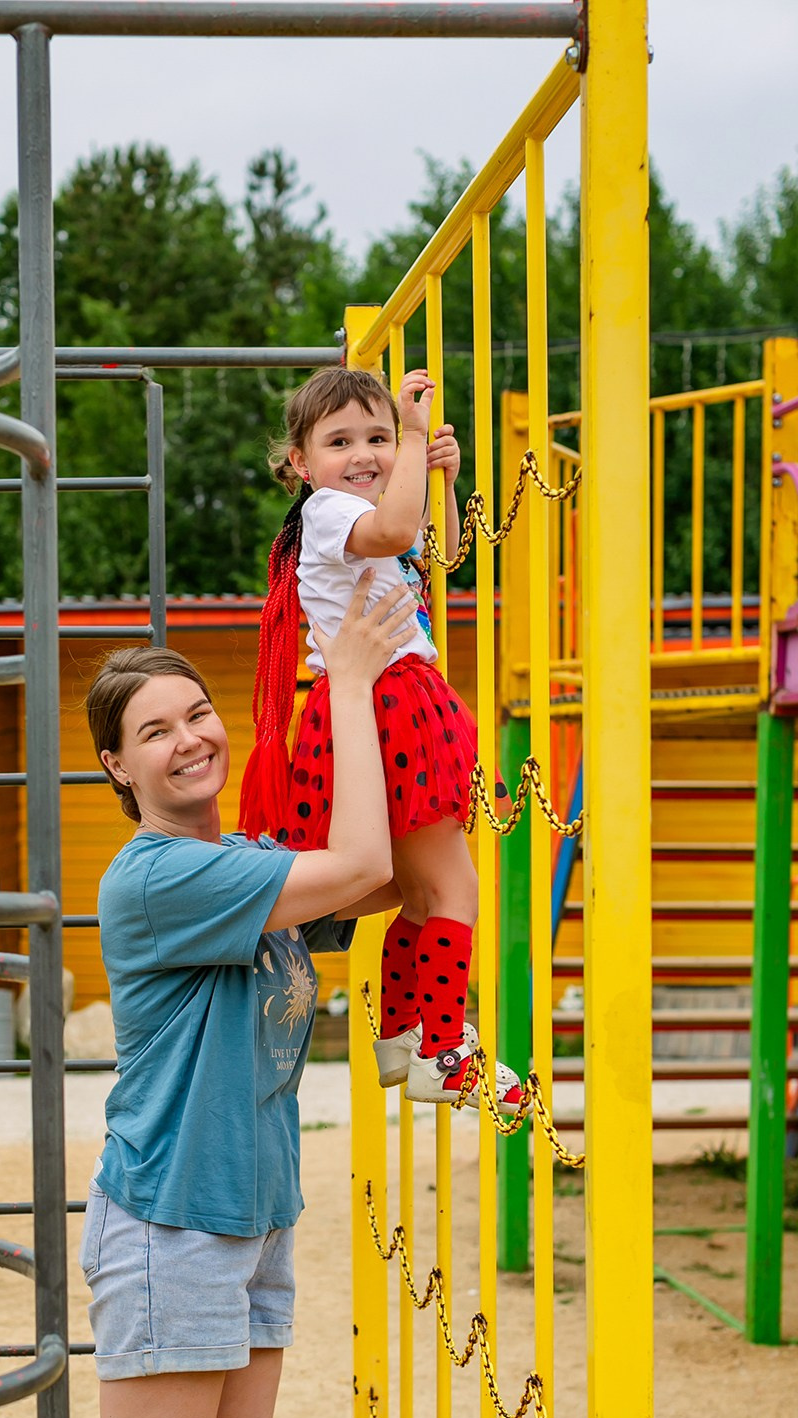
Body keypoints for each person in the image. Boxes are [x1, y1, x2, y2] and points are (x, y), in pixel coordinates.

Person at [78, 577, 412, 1418]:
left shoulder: (242, 862)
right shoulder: (161, 875)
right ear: (117, 767)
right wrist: (359, 682)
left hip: (256, 1218)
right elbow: (367, 863)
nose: (187, 739)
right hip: (171, 1226)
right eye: (154, 731)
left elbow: (380, 880)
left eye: (198, 713)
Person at [239, 363, 521, 1109]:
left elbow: (437, 548)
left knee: (423, 896)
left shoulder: (357, 512)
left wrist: (440, 477)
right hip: (387, 701)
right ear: (302, 464)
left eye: (377, 435)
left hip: (389, 702)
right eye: (340, 441)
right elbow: (399, 528)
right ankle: (442, 1048)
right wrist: (415, 433)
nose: (363, 453)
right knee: (456, 886)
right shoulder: (331, 512)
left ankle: (402, 1035)